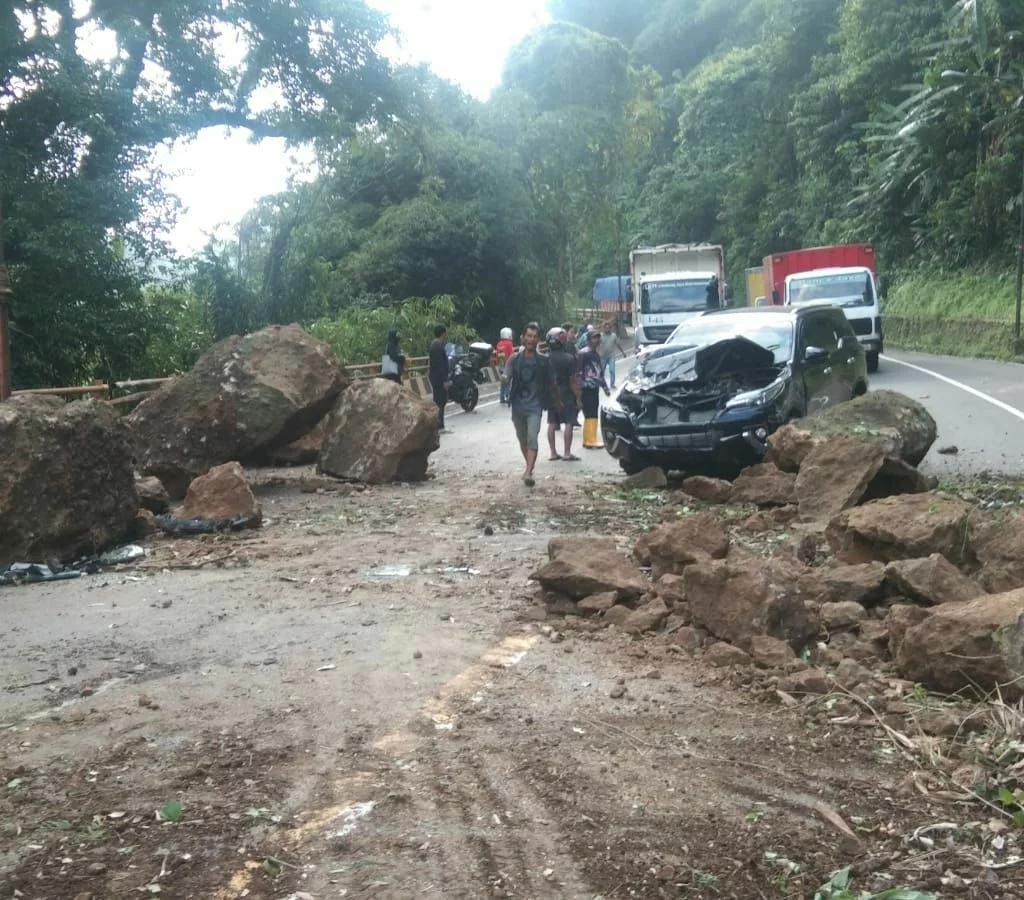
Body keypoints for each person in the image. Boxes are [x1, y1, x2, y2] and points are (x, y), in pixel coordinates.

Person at [503, 322, 560, 487]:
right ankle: (529, 466)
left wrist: (557, 401)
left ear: (538, 340)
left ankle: (528, 471)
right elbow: (507, 375)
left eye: (534, 337)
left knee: (532, 438)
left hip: (535, 406)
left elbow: (552, 383)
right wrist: (504, 379)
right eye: (528, 336)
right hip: (518, 406)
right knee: (523, 440)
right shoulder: (514, 359)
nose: (531, 339)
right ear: (522, 338)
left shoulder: (544, 361)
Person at [545, 326, 582, 462]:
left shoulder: (546, 359)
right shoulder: (569, 359)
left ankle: (553, 453)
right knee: (569, 423)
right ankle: (567, 453)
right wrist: (578, 397)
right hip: (566, 394)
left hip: (552, 395)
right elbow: (573, 381)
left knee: (552, 423)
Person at [578, 328, 610, 449]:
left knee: (592, 412)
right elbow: (579, 372)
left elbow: (599, 373)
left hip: (594, 387)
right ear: (588, 340)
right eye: (594, 337)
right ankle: (590, 439)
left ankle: (589, 438)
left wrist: (605, 387)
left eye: (598, 337)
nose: (597, 340)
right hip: (586, 387)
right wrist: (579, 389)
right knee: (590, 413)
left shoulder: (596, 354)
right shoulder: (584, 354)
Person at [428, 324, 452, 434]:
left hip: (436, 377)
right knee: (440, 402)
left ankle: (439, 425)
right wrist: (445, 380)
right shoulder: (437, 346)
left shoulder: (435, 345)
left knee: (440, 401)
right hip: (438, 378)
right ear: (443, 333)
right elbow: (440, 366)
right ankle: (438, 426)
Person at [598, 320, 626, 389]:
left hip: (611, 356)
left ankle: (612, 384)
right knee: (602, 371)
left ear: (610, 328)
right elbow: (596, 345)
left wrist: (623, 352)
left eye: (608, 327)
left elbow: (618, 344)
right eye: (605, 328)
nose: (607, 329)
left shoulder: (613, 335)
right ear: (603, 328)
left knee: (612, 370)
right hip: (603, 356)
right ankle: (601, 383)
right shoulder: (601, 336)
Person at [496, 327, 516, 405]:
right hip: (508, 364)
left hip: (501, 364)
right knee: (508, 381)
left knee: (502, 382)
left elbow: (498, 355)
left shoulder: (499, 344)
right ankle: (508, 396)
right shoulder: (509, 343)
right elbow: (512, 354)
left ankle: (501, 397)